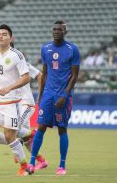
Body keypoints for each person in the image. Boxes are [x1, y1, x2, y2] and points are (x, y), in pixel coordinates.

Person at [27, 20, 80, 175]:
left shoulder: (72, 49)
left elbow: (75, 76)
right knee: (40, 127)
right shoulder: (46, 48)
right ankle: (31, 163)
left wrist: (65, 94)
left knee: (62, 129)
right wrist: (41, 94)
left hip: (63, 95)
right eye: (55, 29)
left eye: (60, 29)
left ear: (65, 32)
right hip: (48, 95)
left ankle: (62, 166)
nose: (56, 31)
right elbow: (45, 74)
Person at [0, 24, 30, 176]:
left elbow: (26, 77)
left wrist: (9, 88)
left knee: (10, 135)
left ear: (11, 38)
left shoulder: (17, 55)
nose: (1, 36)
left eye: (4, 34)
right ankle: (18, 142)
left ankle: (24, 167)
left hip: (12, 103)